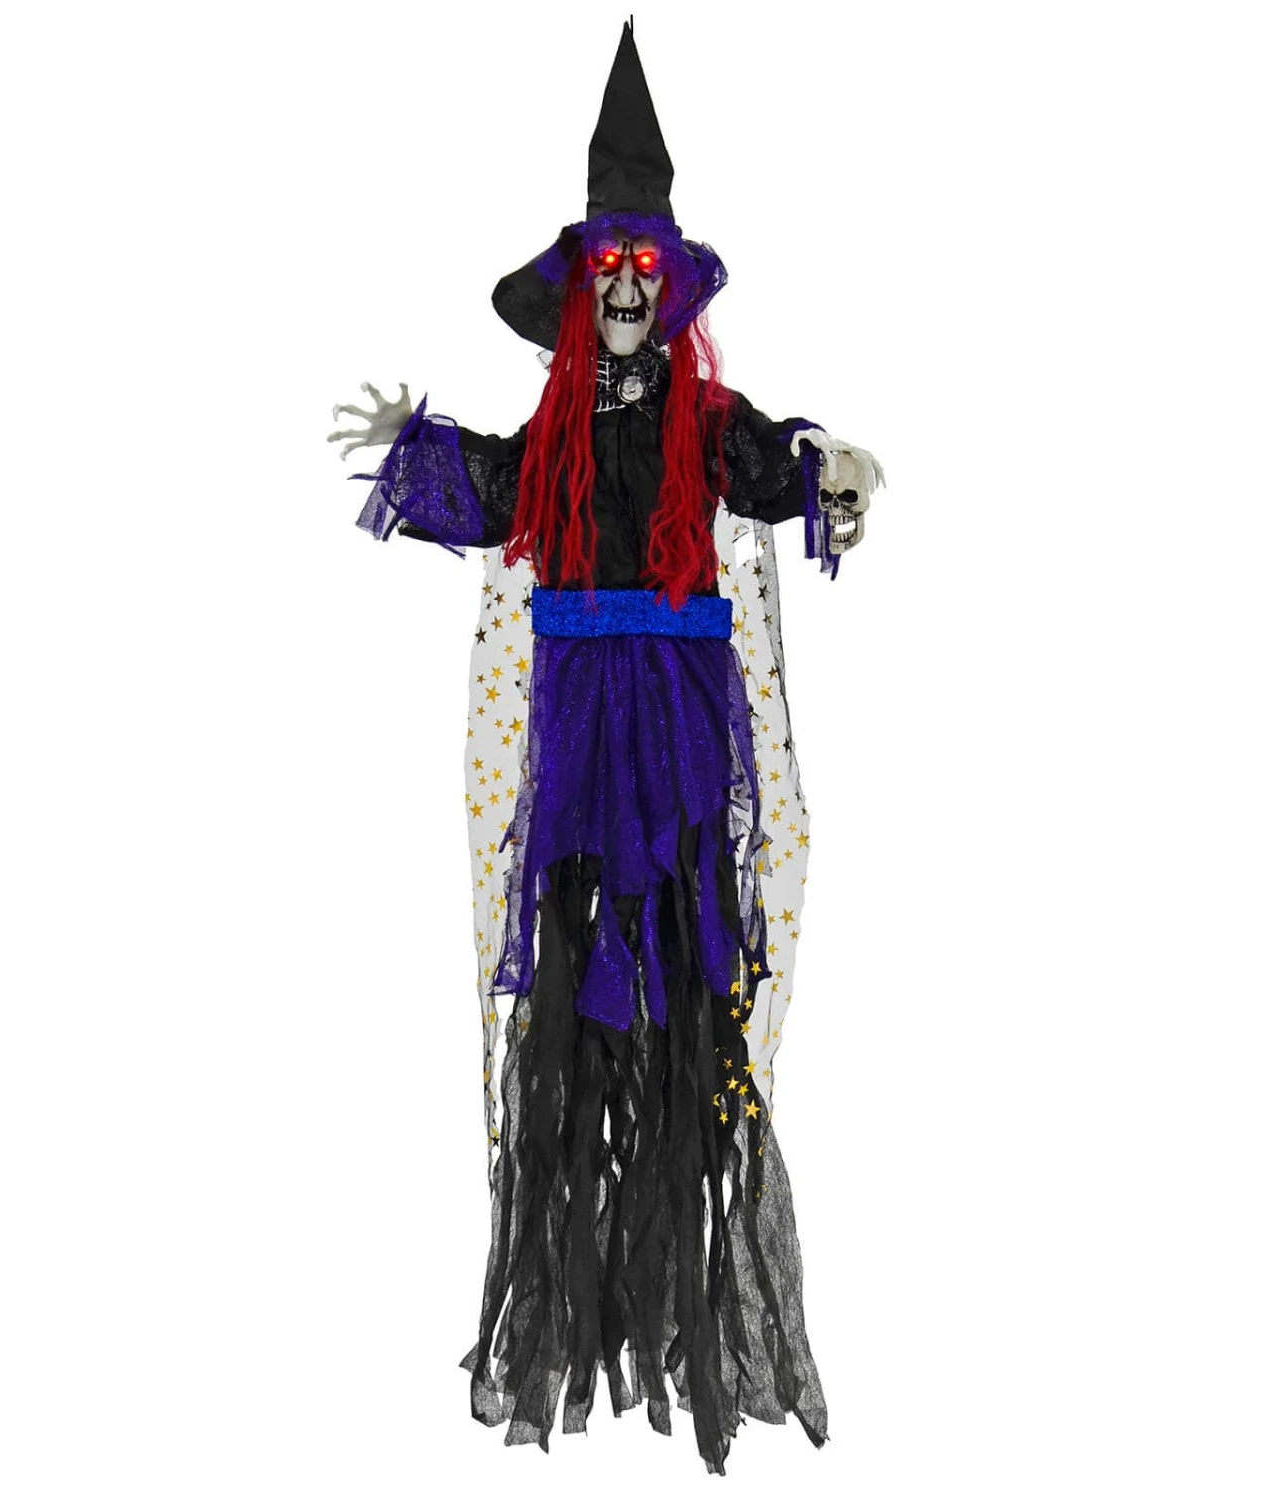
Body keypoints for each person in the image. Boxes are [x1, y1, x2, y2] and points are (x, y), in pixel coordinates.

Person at [327, 21, 883, 1476]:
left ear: (667, 288)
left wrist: (836, 466)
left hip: (682, 725)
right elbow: (499, 488)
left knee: (691, 980)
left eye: (646, 265)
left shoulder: (707, 420)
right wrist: (414, 447)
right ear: (582, 292)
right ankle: (574, 1318)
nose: (628, 285)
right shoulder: (558, 427)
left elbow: (780, 462)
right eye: (609, 268)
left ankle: (688, 1306)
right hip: (578, 731)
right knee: (575, 993)